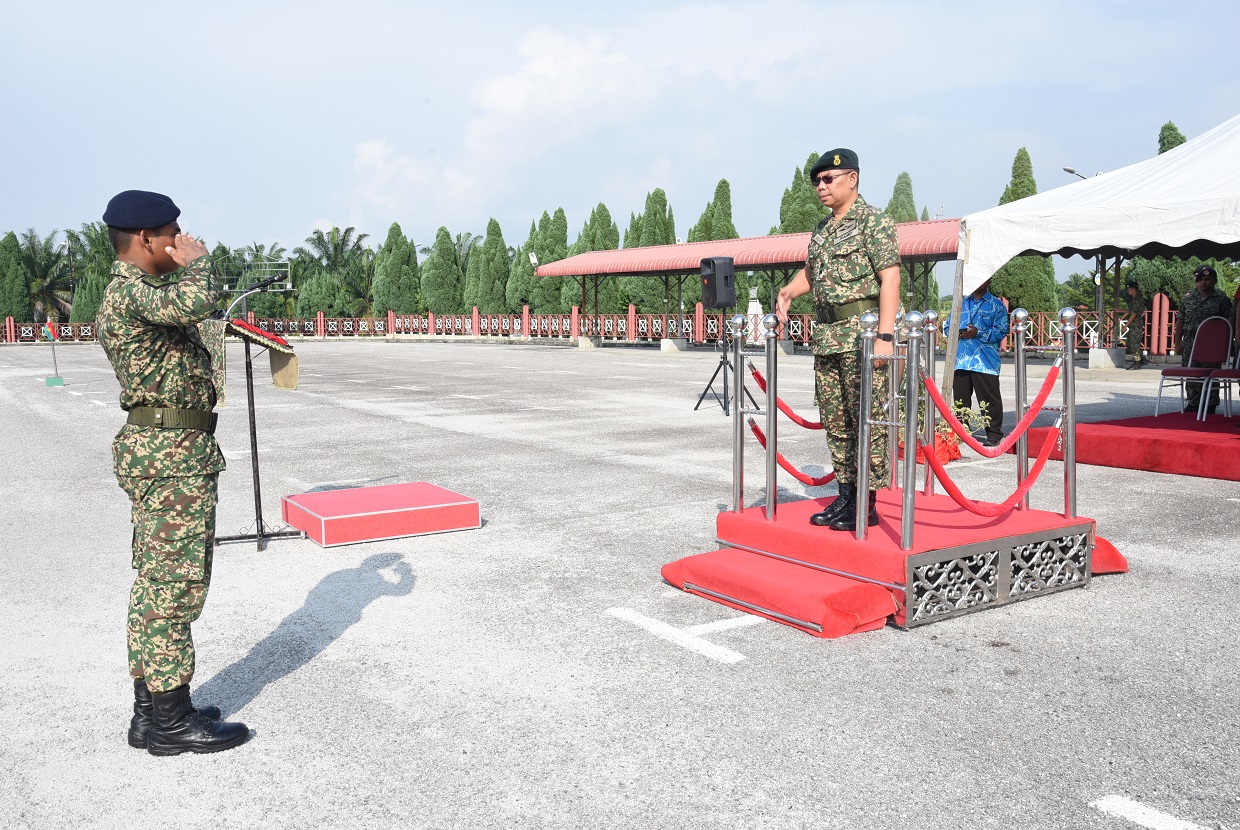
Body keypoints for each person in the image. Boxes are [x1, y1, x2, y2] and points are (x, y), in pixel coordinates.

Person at [96, 190, 249, 756]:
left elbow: (193, 319)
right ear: (145, 239)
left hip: (168, 449)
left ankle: (151, 712)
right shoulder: (131, 290)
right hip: (170, 455)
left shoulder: (143, 294)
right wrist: (201, 261)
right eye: (173, 234)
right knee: (173, 587)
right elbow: (194, 300)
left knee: (155, 582)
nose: (182, 241)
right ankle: (172, 722)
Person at [776, 149, 900, 531]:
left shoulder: (873, 222)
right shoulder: (822, 229)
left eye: (828, 179)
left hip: (862, 336)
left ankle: (866, 503)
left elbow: (890, 278)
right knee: (837, 422)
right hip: (828, 337)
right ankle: (845, 496)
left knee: (866, 422)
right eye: (817, 181)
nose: (821, 186)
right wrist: (789, 291)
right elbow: (812, 273)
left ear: (852, 178)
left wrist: (885, 336)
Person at [943, 279, 1009, 446]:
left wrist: (978, 333)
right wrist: (957, 332)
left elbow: (1002, 331)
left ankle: (994, 433)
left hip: (985, 362)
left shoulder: (996, 305)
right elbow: (947, 327)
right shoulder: (960, 303)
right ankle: (962, 432)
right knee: (960, 400)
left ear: (989, 281)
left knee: (989, 400)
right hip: (961, 360)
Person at [1174, 264, 1232, 414]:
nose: (1204, 282)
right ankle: (1193, 402)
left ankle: (1210, 404)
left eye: (1208, 279)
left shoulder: (1222, 299)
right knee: (1191, 372)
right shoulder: (1188, 298)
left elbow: (1229, 322)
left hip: (1211, 343)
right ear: (1197, 282)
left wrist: (1225, 344)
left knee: (1211, 372)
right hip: (1190, 341)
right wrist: (1177, 343)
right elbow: (1180, 320)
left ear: (1214, 281)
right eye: (1201, 280)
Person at [1122, 279, 1146, 369]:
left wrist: (1125, 326)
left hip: (1136, 323)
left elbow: (1134, 313)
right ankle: (1141, 359)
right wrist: (1121, 310)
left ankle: (1137, 363)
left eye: (1129, 289)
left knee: (1133, 343)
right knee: (1129, 342)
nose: (1127, 291)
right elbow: (1131, 311)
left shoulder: (1137, 299)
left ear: (1133, 289)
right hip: (1134, 324)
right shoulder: (1134, 299)